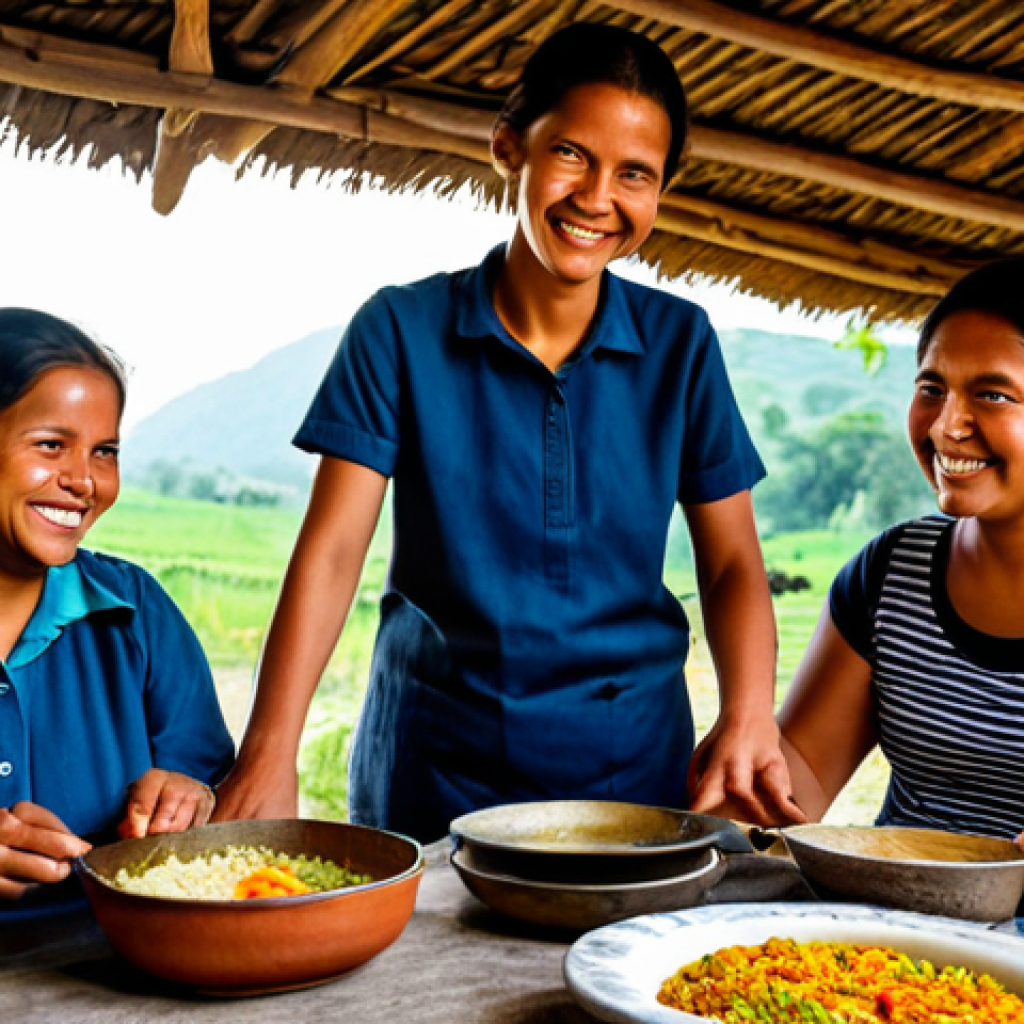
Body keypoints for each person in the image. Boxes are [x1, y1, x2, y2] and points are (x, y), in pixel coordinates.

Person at [215, 22, 801, 842]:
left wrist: (748, 716)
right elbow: (334, 549)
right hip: (433, 765)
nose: (598, 197)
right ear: (508, 148)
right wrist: (268, 750)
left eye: (635, 173)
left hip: (631, 769)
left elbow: (735, 560)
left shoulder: (682, 344)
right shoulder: (399, 329)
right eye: (571, 155)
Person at [779, 257, 1024, 843]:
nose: (945, 427)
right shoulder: (892, 570)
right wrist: (739, 775)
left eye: (992, 394)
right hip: (892, 928)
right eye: (931, 389)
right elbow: (803, 769)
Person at [0, 308, 234, 902]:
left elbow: (210, 786)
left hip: (115, 964)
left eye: (104, 452)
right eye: (52, 445)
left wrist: (190, 797)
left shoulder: (138, 612)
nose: (84, 480)